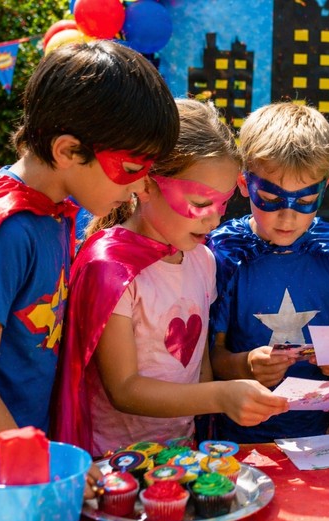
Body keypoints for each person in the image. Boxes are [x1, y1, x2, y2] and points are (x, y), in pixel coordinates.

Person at [0, 40, 180, 521]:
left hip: (23, 470)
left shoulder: (53, 214)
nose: (139, 187)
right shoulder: (13, 229)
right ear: (69, 150)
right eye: (132, 169)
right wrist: (45, 473)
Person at [53, 99, 289, 456]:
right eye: (199, 203)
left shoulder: (203, 260)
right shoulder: (110, 267)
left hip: (181, 454)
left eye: (223, 204)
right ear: (146, 185)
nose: (213, 220)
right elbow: (125, 389)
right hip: (114, 462)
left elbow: (200, 363)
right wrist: (220, 397)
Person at [207, 102, 329, 443]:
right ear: (244, 182)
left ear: (326, 184)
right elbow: (209, 359)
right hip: (239, 436)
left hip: (320, 436)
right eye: (269, 198)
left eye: (305, 200)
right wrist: (246, 364)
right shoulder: (226, 252)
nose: (287, 217)